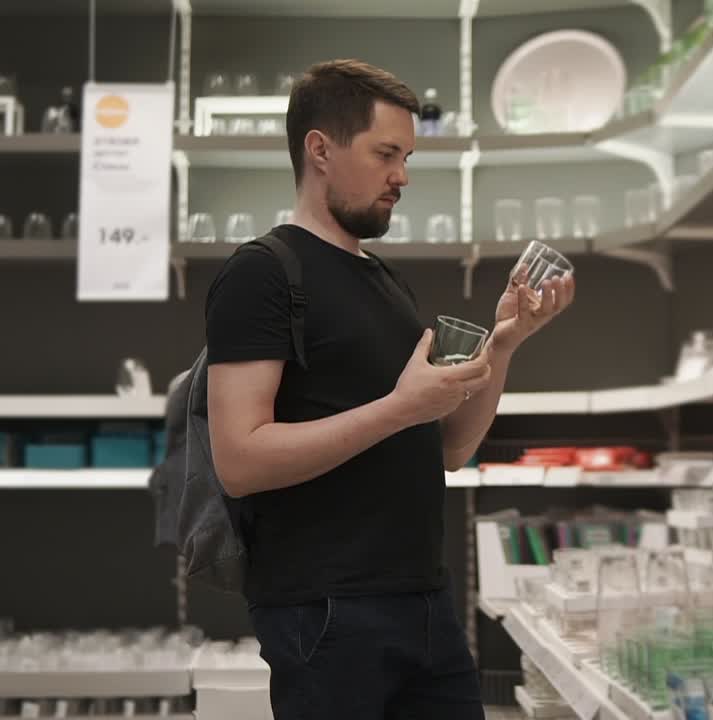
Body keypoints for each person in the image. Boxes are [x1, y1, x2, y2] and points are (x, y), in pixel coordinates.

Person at [203, 58, 574, 719]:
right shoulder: (261, 273)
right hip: (323, 612)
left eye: (405, 156)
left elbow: (449, 449)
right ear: (320, 149)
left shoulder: (385, 282)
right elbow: (240, 459)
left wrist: (506, 341)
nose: (401, 176)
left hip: (425, 601)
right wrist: (400, 407)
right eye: (385, 154)